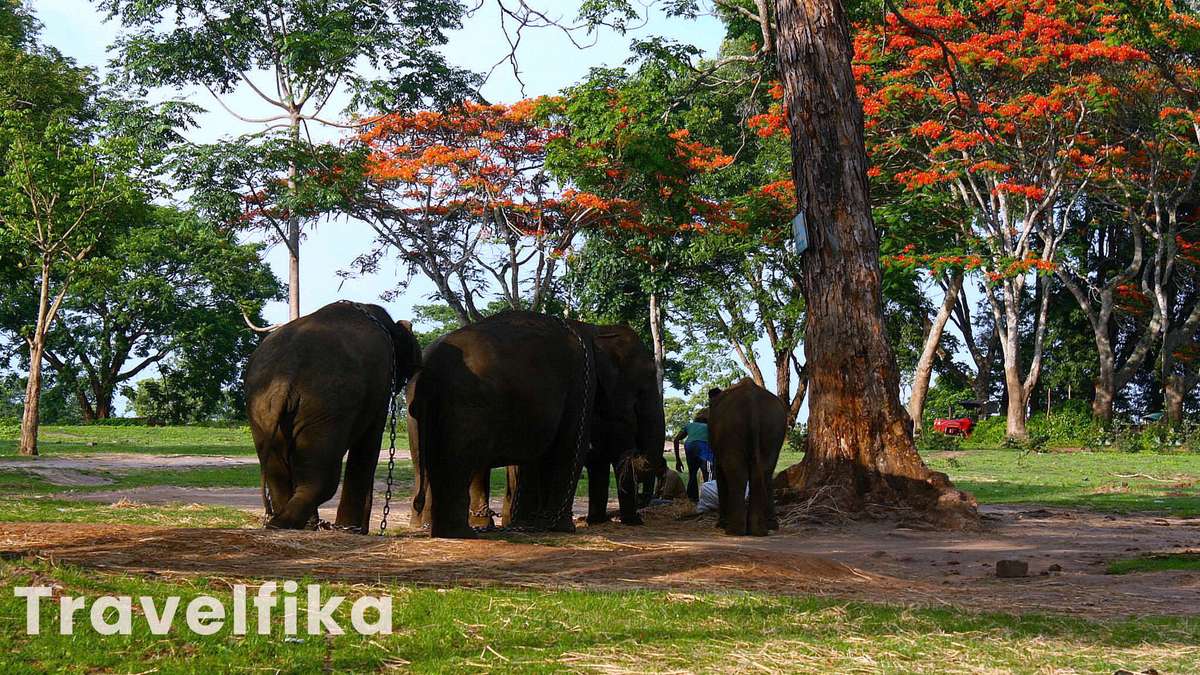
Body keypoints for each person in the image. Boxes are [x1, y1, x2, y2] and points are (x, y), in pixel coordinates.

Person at [673, 409, 713, 502]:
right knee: (709, 475)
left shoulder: (689, 425)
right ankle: (710, 500)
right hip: (703, 447)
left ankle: (692, 501)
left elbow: (676, 440)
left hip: (689, 446)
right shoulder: (710, 427)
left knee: (692, 475)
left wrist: (678, 460)